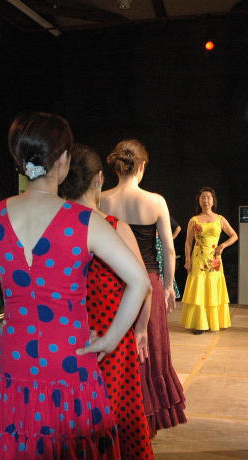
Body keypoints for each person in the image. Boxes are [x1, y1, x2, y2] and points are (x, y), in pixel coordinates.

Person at [0, 113, 150, 460]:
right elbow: (139, 281)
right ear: (64, 159)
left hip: (16, 361)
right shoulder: (83, 220)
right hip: (71, 361)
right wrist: (110, 339)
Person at [59, 143, 155, 460]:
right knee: (118, 415)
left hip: (64, 340)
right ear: (99, 179)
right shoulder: (113, 226)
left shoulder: (52, 230)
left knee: (71, 419)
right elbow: (143, 287)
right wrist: (140, 329)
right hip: (113, 340)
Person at [101, 139, 186, 436]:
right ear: (142, 166)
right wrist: (168, 286)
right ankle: (144, 422)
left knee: (118, 350)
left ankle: (117, 416)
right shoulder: (155, 201)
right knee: (150, 351)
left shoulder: (101, 200)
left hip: (112, 284)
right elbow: (169, 249)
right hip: (148, 281)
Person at [181, 187, 238, 334]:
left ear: (213, 201)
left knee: (212, 287)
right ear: (199, 201)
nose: (205, 200)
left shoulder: (220, 219)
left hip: (214, 260)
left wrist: (222, 246)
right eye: (202, 197)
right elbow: (188, 242)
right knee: (199, 289)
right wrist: (187, 260)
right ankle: (200, 324)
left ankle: (213, 321)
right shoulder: (194, 220)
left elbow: (234, 236)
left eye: (208, 197)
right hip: (198, 259)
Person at [156, 216, 181, 300]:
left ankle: (164, 293)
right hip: (149, 246)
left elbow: (178, 228)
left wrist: (171, 238)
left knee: (161, 268)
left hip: (159, 245)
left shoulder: (162, 214)